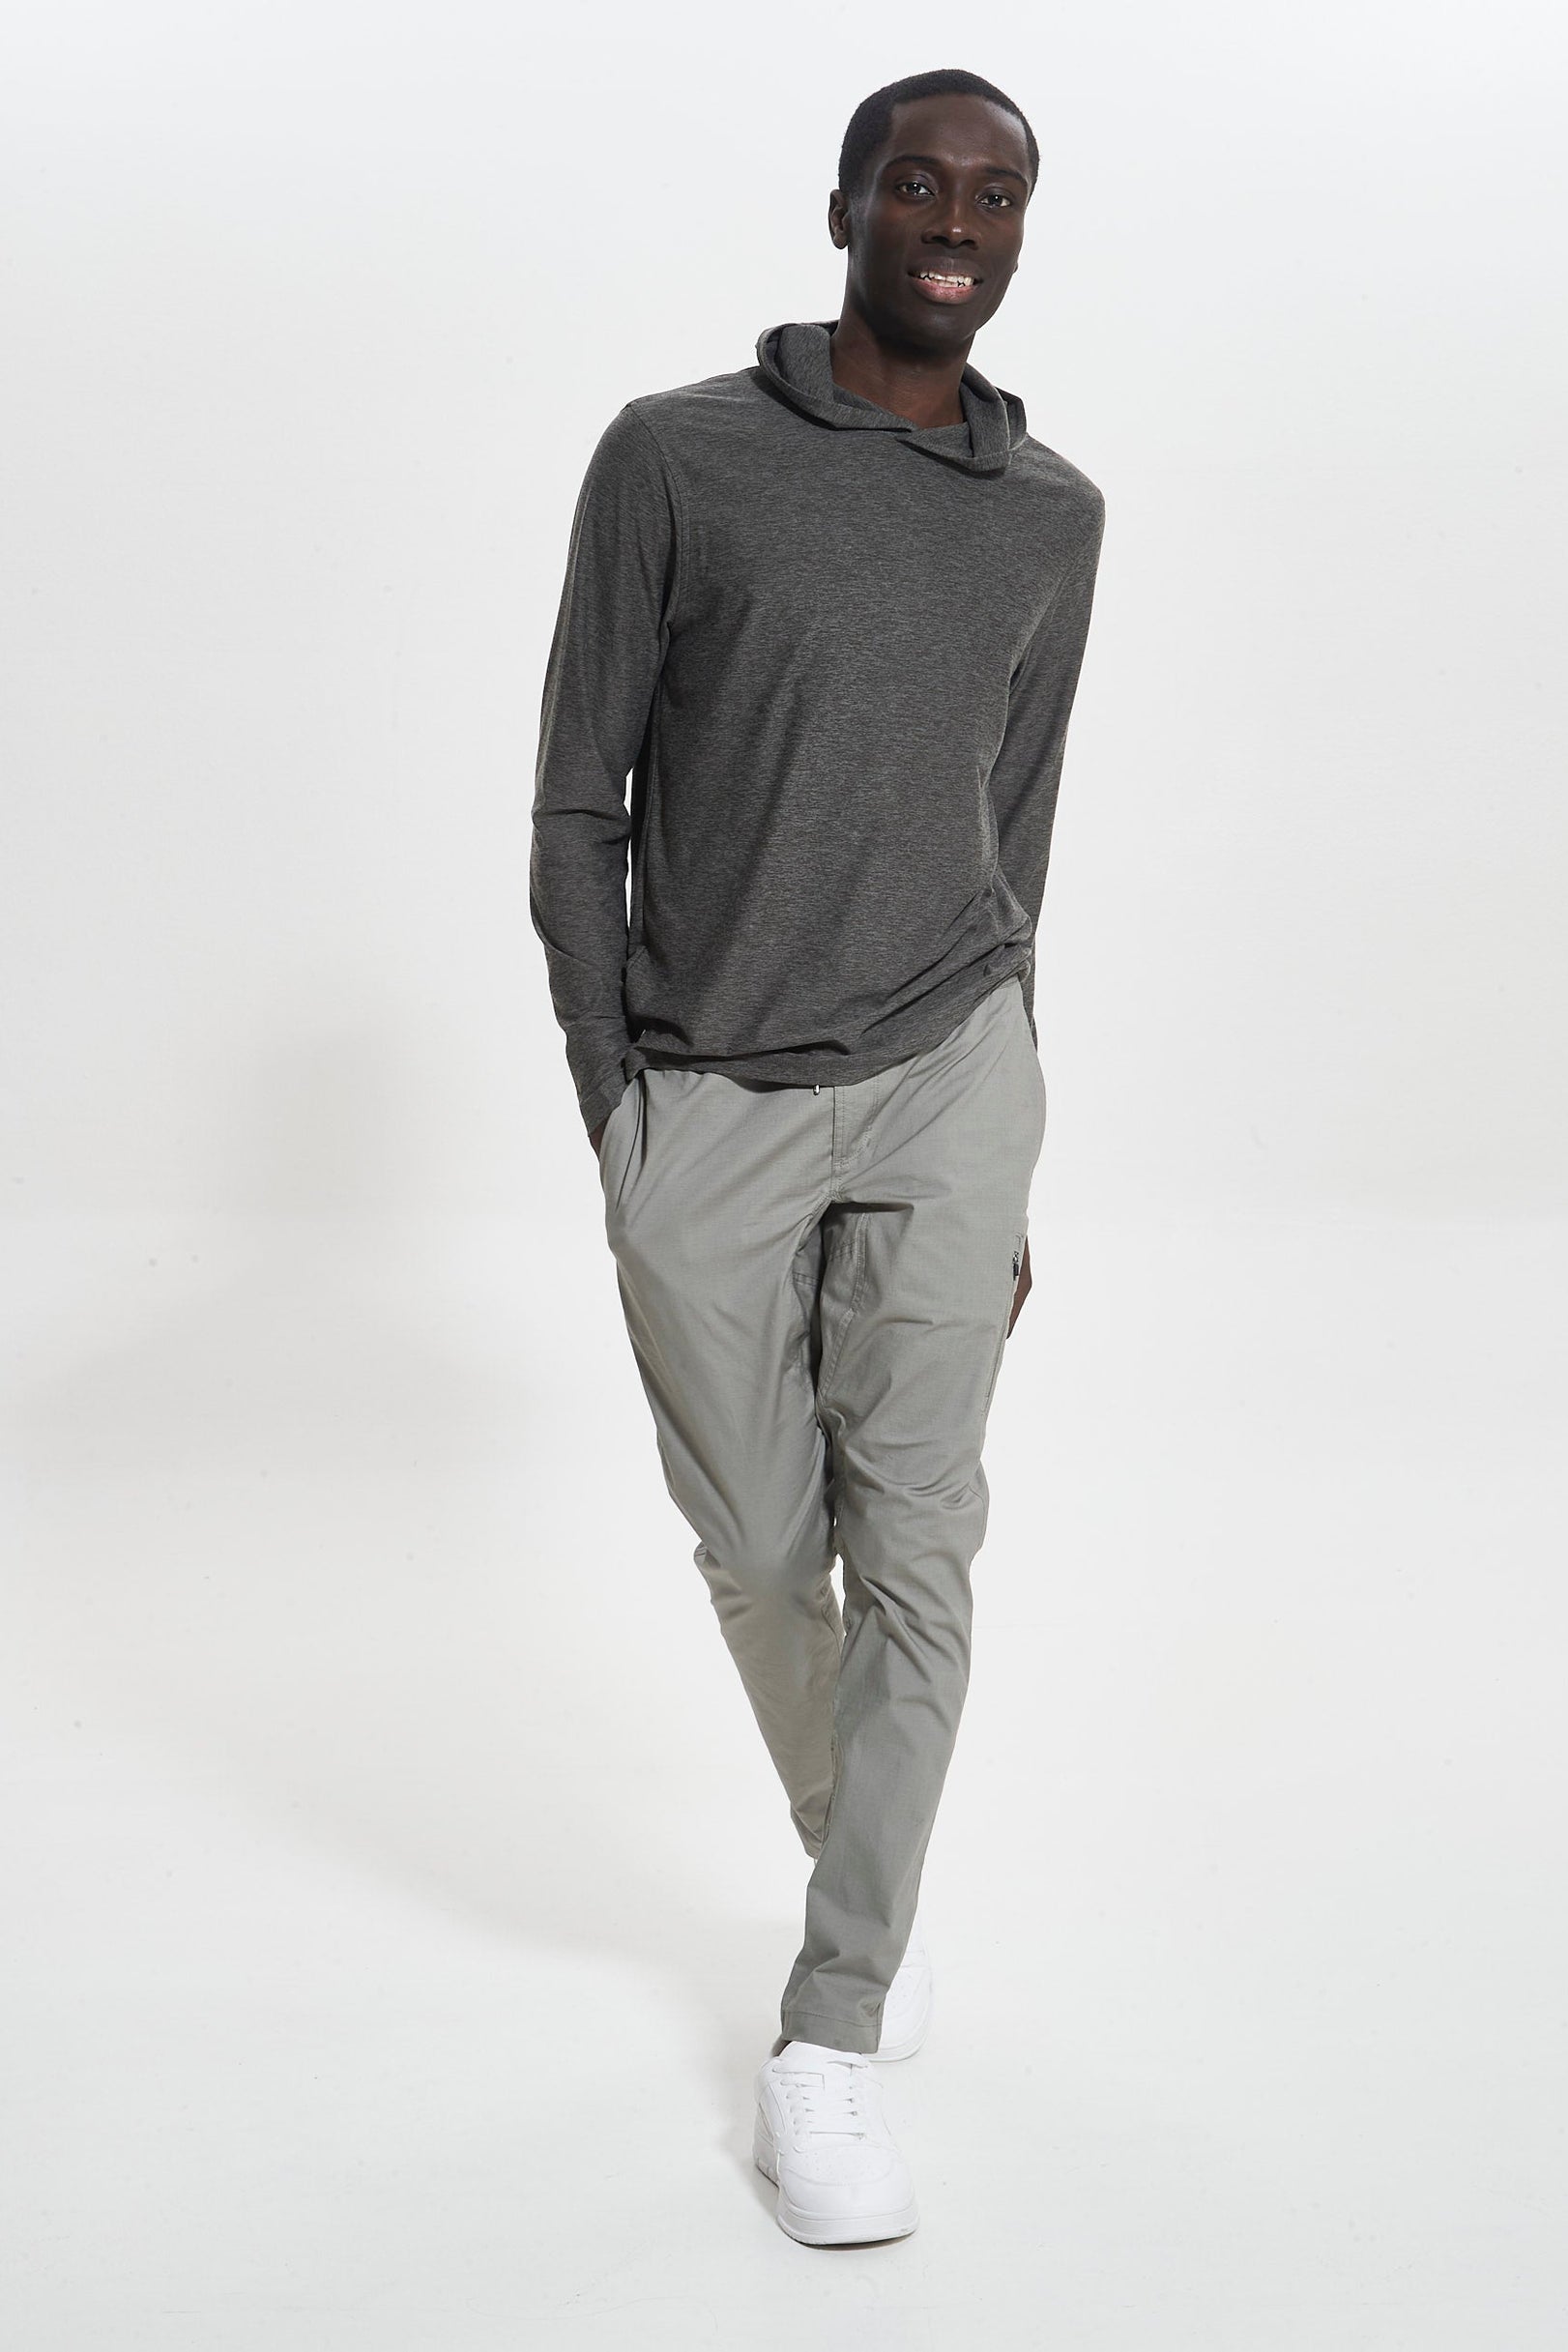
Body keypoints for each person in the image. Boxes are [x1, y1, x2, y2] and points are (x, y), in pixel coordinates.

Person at [530, 66, 1105, 2245]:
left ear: (1022, 228)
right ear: (847, 203)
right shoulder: (676, 456)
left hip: (954, 1069)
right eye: (919, 183)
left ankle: (830, 2019)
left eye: (997, 193)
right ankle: (860, 1843)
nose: (956, 220)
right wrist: (615, 1099)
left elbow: (1015, 832)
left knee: (921, 1546)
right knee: (769, 1557)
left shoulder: (1052, 514)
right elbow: (578, 797)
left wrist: (1012, 1141)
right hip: (709, 1086)